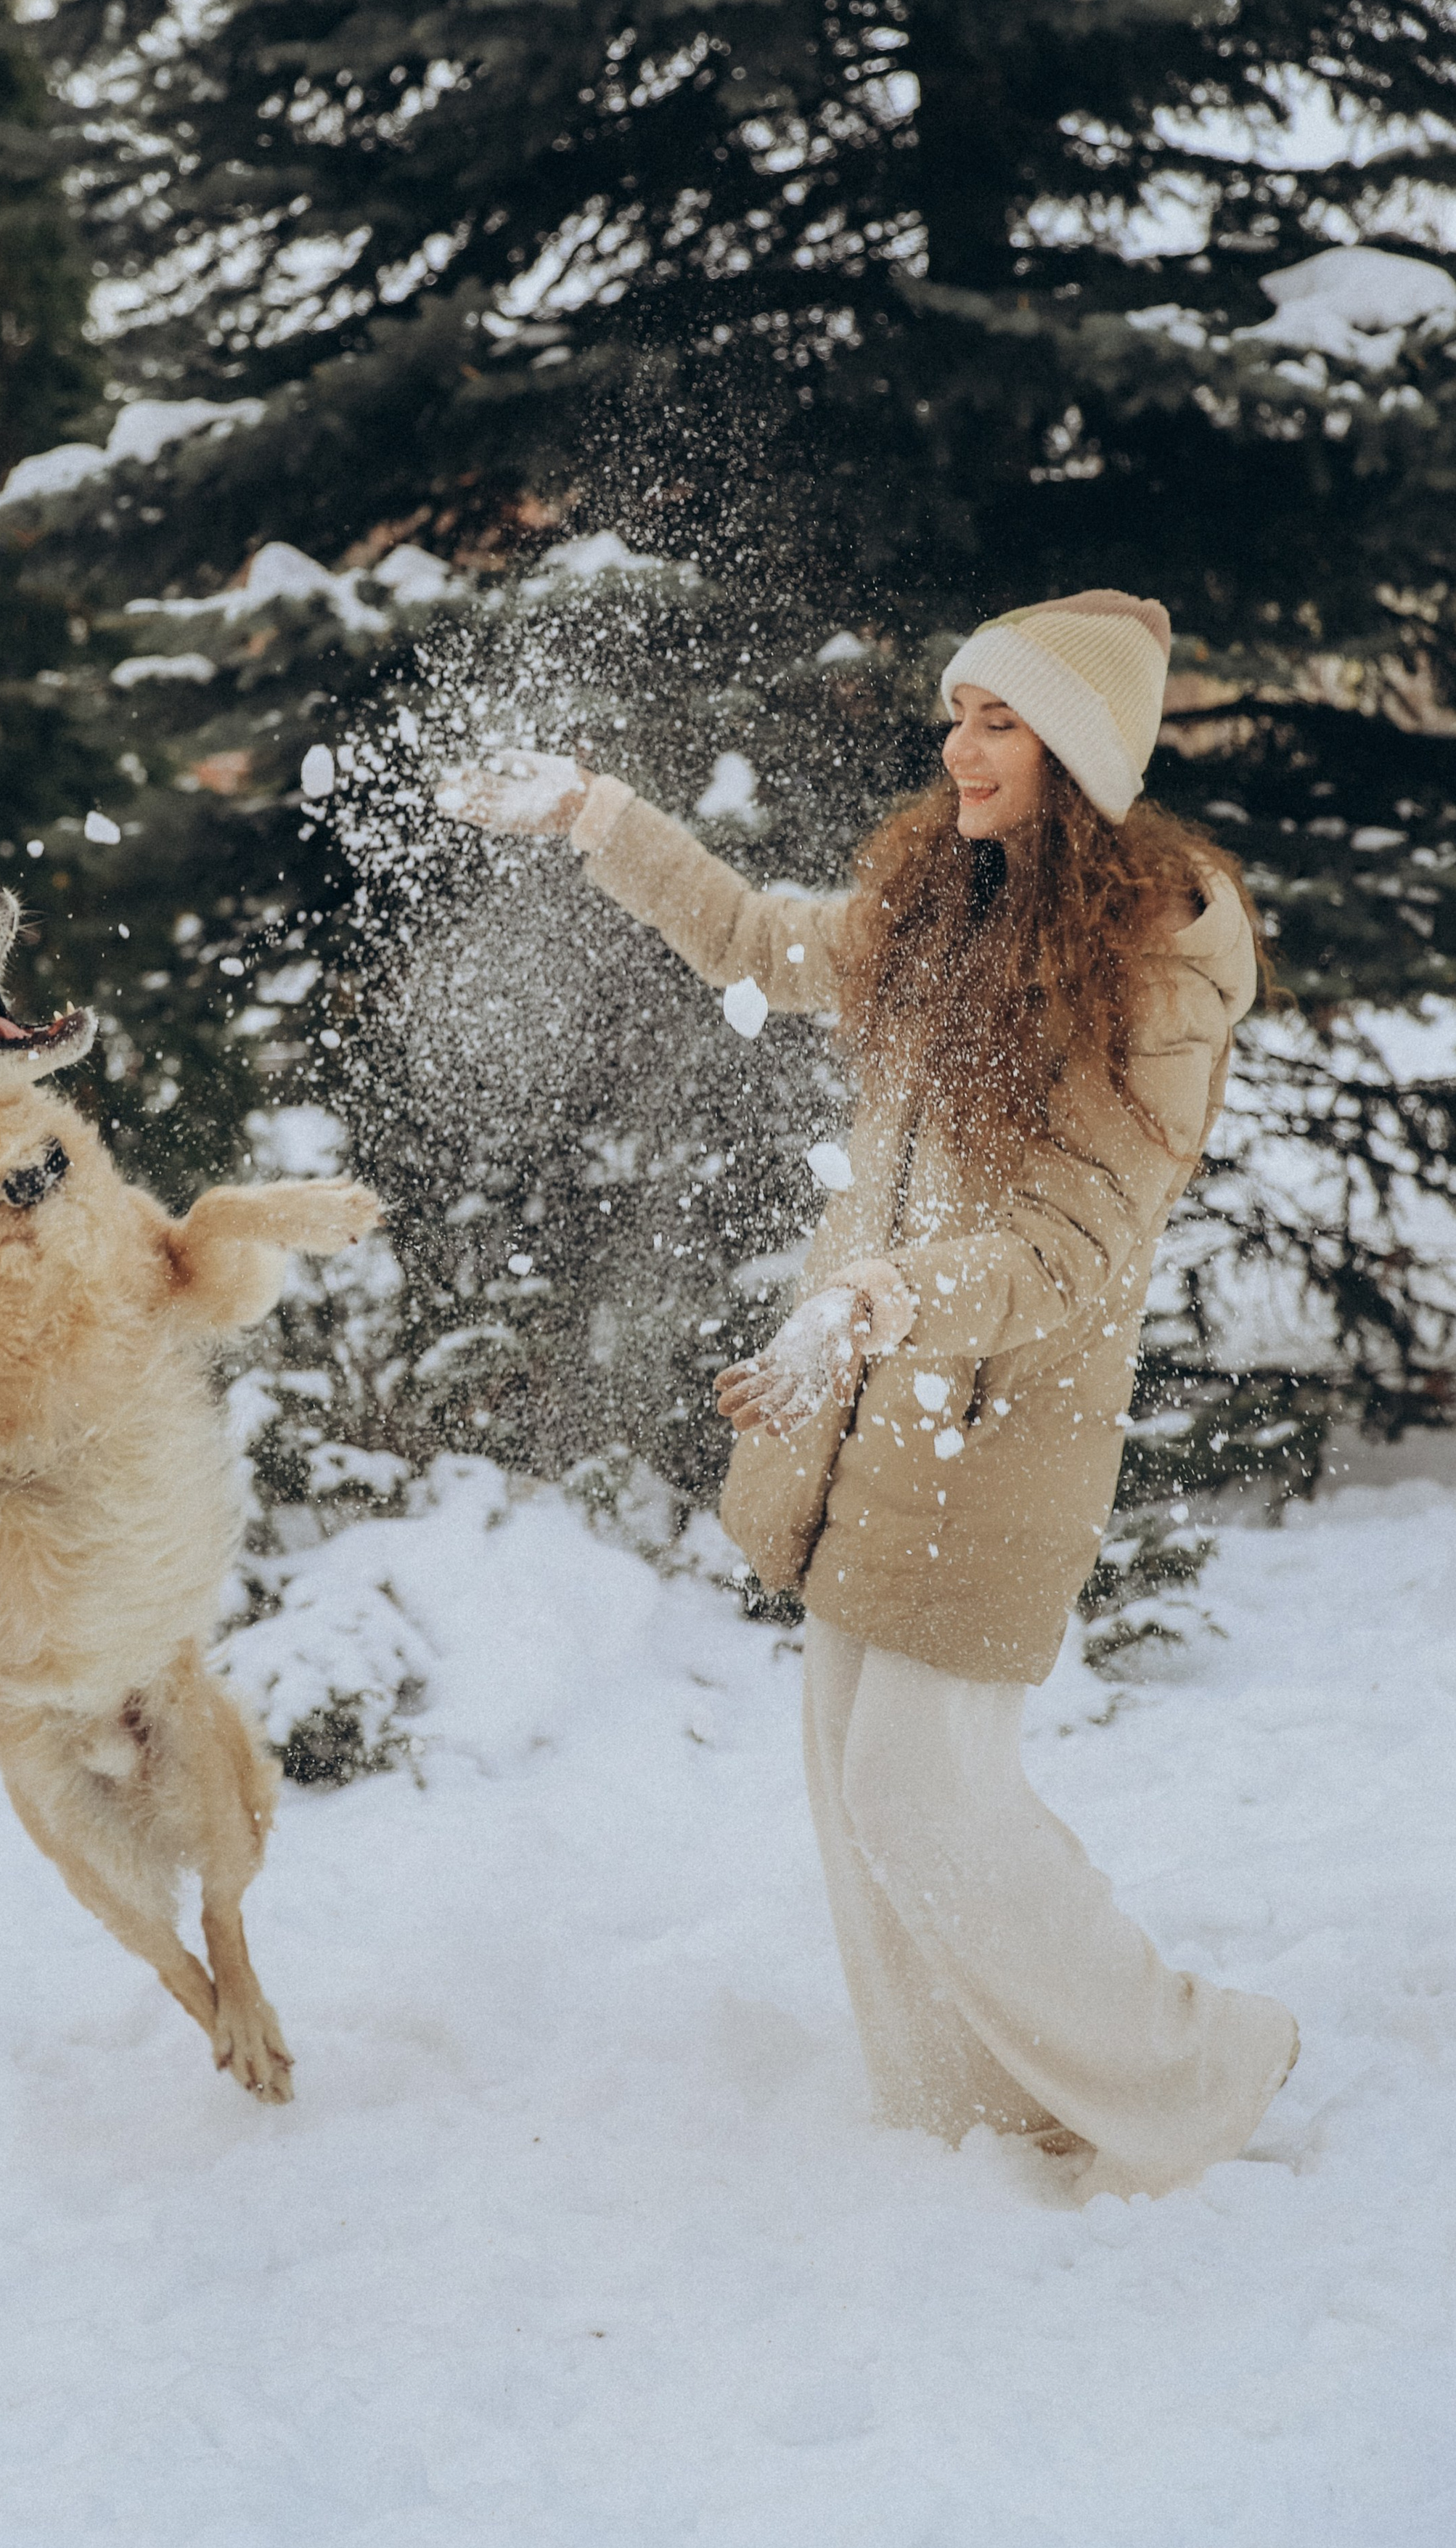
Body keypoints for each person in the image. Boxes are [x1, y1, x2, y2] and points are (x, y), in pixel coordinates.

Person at [435, 588, 1298, 2199]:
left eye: (999, 721)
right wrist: (596, 816)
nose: (957, 745)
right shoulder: (937, 898)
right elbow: (762, 941)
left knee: (919, 1784)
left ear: (1082, 755)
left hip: (992, 1417)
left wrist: (898, 1296)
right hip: (862, 1390)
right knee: (855, 1778)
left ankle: (1198, 2067)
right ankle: (963, 2117)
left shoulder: (1155, 962)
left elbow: (1080, 1239)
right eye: (957, 712)